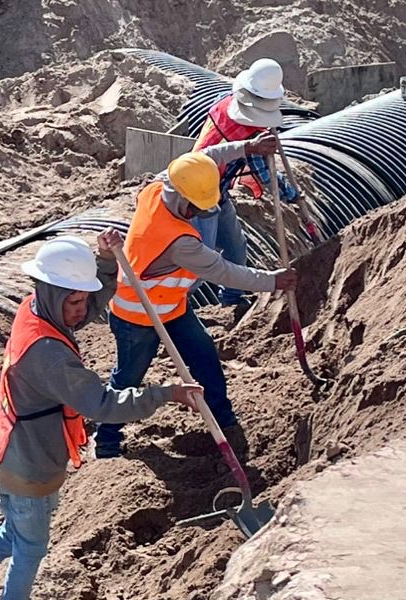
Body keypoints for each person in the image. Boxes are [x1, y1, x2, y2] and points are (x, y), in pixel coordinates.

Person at [0, 233, 201, 600]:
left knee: (17, 532)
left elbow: (89, 299)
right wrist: (167, 394)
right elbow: (103, 404)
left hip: (31, 448)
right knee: (31, 548)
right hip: (28, 460)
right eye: (74, 303)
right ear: (54, 295)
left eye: (82, 301)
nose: (83, 312)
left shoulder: (39, 309)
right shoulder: (48, 353)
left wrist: (106, 263)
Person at [92, 134, 296, 461]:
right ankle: (105, 442)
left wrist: (247, 148)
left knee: (204, 357)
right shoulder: (180, 242)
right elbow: (225, 272)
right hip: (138, 316)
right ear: (180, 197)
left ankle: (222, 417)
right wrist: (272, 281)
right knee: (128, 378)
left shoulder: (162, 186)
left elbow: (204, 158)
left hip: (172, 306)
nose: (199, 213)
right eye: (195, 207)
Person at [193, 59, 318, 321]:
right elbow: (266, 176)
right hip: (195, 194)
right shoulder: (247, 136)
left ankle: (231, 303)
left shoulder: (225, 100)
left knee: (235, 248)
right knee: (198, 262)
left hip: (218, 191)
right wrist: (292, 194)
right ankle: (168, 308)